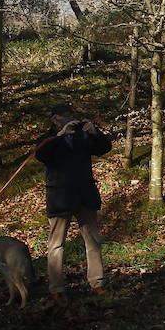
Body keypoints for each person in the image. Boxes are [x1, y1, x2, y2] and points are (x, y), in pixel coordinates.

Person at [35, 103, 111, 300]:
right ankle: (57, 289)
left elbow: (104, 147)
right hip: (60, 198)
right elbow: (40, 154)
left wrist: (95, 133)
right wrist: (60, 135)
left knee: (93, 242)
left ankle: (97, 283)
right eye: (63, 116)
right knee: (56, 245)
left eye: (70, 115)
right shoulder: (47, 139)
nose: (68, 119)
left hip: (85, 194)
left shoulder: (82, 134)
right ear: (54, 119)